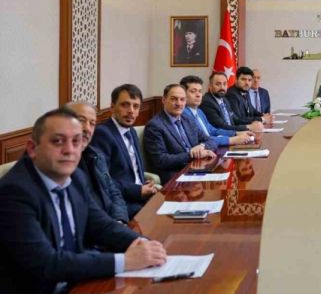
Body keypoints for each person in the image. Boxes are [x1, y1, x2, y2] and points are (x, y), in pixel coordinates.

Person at [0, 108, 166, 294]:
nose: (70, 150)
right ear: (32, 148)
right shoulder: (14, 192)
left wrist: (144, 244)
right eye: (58, 141)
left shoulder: (75, 177)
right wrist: (125, 261)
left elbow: (102, 226)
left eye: (76, 141)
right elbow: (47, 264)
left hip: (75, 288)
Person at [92, 84, 158, 219]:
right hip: (123, 204)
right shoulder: (102, 134)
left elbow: (133, 171)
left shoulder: (131, 131)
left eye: (136, 106)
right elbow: (103, 181)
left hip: (142, 197)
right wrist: (138, 190)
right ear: (112, 107)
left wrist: (144, 183)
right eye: (125, 105)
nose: (131, 111)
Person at [67, 102, 129, 223]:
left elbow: (114, 192)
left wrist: (120, 219)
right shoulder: (60, 165)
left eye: (92, 123)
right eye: (81, 120)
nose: (87, 128)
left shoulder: (96, 155)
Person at [144, 84, 218, 183]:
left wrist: (202, 146)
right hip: (175, 176)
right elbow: (161, 160)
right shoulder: (155, 126)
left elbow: (210, 141)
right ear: (164, 100)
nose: (179, 103)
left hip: (196, 169)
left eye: (182, 99)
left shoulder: (187, 119)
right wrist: (192, 155)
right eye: (174, 99)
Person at [179, 75, 253, 147]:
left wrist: (235, 133)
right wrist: (231, 140)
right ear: (183, 94)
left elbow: (212, 130)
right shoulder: (183, 114)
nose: (198, 95)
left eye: (200, 91)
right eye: (193, 91)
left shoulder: (199, 111)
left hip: (211, 146)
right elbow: (201, 140)